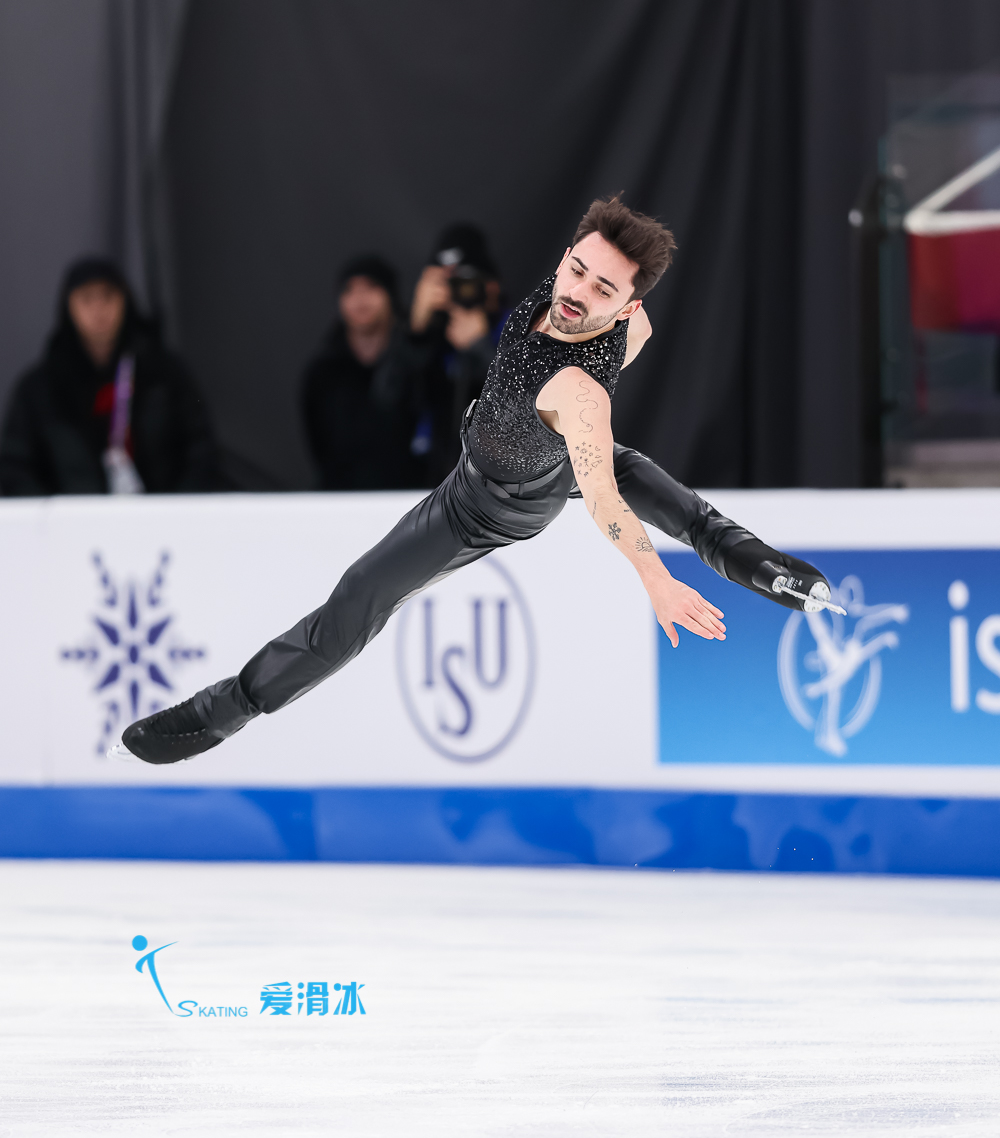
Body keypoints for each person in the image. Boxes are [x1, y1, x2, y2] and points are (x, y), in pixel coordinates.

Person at [115, 195, 837, 765]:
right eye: (577, 270)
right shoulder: (577, 304)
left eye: (603, 288)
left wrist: (654, 578)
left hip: (490, 504)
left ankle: (219, 713)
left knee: (358, 599)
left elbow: (604, 499)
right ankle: (774, 571)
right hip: (544, 451)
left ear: (628, 306)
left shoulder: (583, 394)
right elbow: (614, 342)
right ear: (566, 258)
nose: (578, 291)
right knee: (661, 496)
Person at [0, 257, 216, 496]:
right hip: (74, 515)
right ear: (68, 306)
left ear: (125, 300)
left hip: (159, 512)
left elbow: (201, 449)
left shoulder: (164, 373)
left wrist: (180, 506)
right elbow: (15, 466)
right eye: (87, 299)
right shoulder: (40, 387)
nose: (99, 309)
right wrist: (54, 513)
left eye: (108, 296)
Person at [301, 255, 422, 491]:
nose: (360, 299)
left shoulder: (419, 363)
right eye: (349, 290)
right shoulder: (323, 373)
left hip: (413, 499)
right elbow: (318, 444)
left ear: (390, 295)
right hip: (340, 500)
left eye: (371, 287)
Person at [408, 224, 507, 484]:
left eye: (468, 279)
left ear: (492, 285)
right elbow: (389, 404)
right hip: (427, 485)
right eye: (449, 282)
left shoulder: (517, 329)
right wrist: (417, 331)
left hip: (494, 485)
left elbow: (527, 407)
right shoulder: (431, 337)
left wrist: (481, 348)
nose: (461, 290)